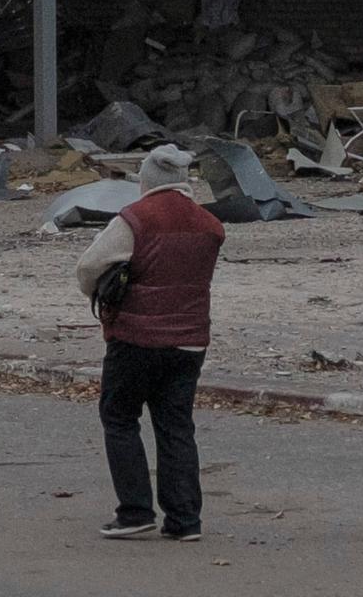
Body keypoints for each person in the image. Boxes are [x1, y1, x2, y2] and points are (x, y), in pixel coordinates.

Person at [71, 180, 225, 539]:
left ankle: (135, 511)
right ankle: (185, 520)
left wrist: (96, 291)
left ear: (148, 180)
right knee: (176, 426)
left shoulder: (135, 219)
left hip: (135, 339)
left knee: (120, 418)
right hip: (190, 340)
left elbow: (88, 267)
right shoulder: (210, 224)